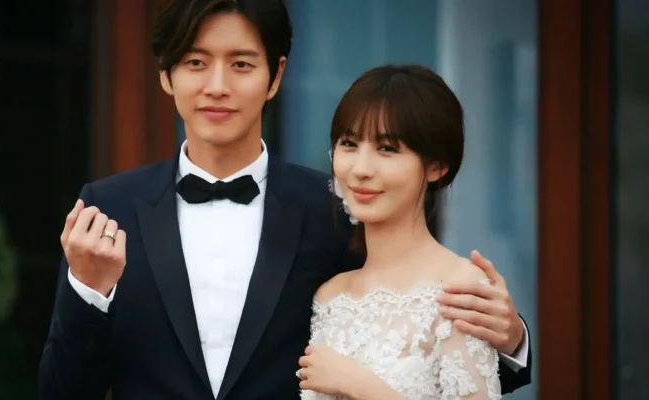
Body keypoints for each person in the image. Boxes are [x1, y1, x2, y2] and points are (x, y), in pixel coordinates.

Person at [38, 1, 532, 399]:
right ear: (166, 75)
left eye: (241, 64)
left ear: (275, 77)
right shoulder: (109, 209)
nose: (217, 86)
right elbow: (62, 392)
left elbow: (425, 341)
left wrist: (513, 340)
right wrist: (89, 292)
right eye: (195, 63)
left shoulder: (336, 207)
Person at [296, 65, 509, 399]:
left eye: (387, 149)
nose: (361, 169)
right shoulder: (329, 297)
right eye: (349, 143)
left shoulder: (460, 291)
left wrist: (361, 386)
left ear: (437, 166)